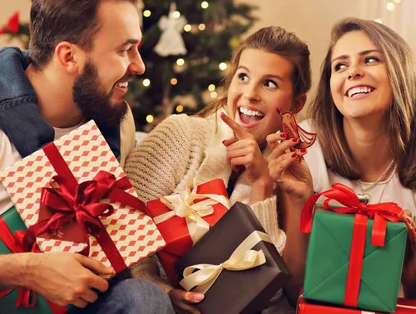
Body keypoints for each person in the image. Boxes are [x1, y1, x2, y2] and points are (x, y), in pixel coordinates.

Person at [0, 0, 174, 313]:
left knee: (144, 299)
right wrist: (28, 270)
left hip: (85, 301)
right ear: (69, 56)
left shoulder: (114, 117)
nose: (138, 66)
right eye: (125, 50)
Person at [124, 26, 313, 314]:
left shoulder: (283, 173)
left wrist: (261, 183)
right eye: (243, 77)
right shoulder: (182, 134)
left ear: (296, 104)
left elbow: (272, 295)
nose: (250, 94)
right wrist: (165, 292)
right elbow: (123, 228)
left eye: (270, 84)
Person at [296, 18, 416, 312]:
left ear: (401, 72)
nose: (354, 72)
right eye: (340, 66)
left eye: (370, 59)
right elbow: (289, 283)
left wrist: (410, 276)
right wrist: (294, 198)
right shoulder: (303, 147)